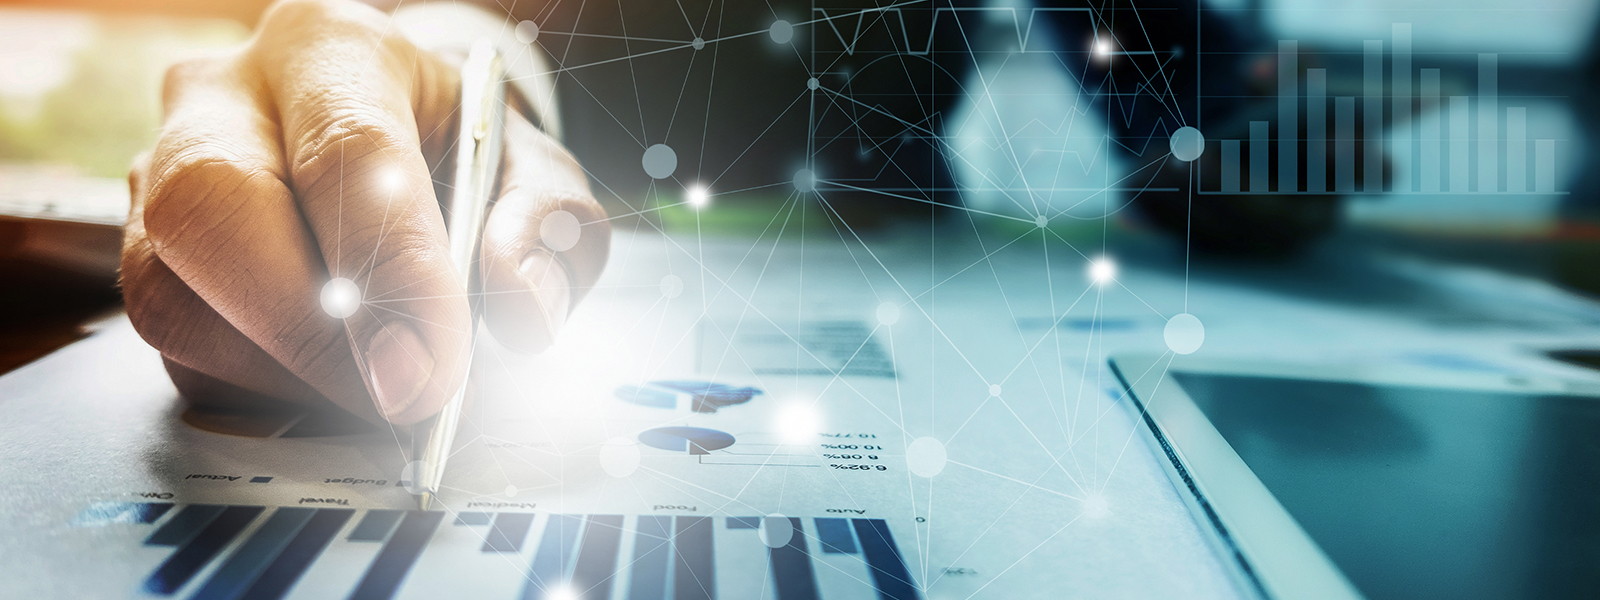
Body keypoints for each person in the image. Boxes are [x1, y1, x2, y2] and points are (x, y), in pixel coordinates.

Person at [75, 0, 1336, 425]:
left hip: (908, 289)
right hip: (584, 232)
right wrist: (418, 67)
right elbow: (468, 35)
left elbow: (1192, 103)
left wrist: (1250, 142)